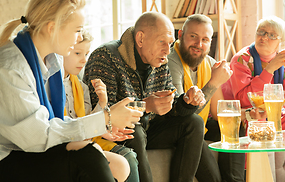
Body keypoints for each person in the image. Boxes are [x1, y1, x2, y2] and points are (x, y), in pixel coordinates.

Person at [0, 0, 142, 181]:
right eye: (77, 29)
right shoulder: (7, 69)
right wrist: (104, 119)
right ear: (52, 28)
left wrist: (104, 123)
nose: (79, 38)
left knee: (121, 164)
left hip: (29, 147)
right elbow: (37, 136)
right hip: (2, 158)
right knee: (89, 157)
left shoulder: (53, 61)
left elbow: (53, 123)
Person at [83, 11, 208, 182]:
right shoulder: (105, 57)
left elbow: (172, 107)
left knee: (194, 122)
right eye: (162, 42)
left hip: (150, 128)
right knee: (135, 131)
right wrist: (145, 106)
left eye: (170, 44)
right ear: (140, 39)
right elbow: (103, 115)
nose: (167, 50)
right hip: (118, 134)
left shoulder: (160, 60)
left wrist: (186, 101)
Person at [221, 16, 285, 182]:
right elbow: (245, 101)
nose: (264, 37)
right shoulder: (242, 59)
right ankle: (254, 175)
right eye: (261, 32)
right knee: (258, 118)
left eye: (272, 35)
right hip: (248, 117)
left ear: (282, 42)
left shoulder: (284, 61)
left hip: (273, 117)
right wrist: (270, 69)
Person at [167, 14, 245, 182]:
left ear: (210, 42)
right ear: (180, 35)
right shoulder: (171, 61)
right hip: (178, 128)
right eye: (193, 37)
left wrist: (244, 115)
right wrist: (214, 82)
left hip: (198, 124)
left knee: (235, 126)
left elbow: (218, 113)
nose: (199, 44)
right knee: (213, 178)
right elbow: (181, 114)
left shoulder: (209, 63)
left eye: (205, 39)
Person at [63, 30, 139, 182]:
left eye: (86, 54)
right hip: (68, 142)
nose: (84, 60)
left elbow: (90, 120)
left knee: (129, 155)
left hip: (86, 138)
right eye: (78, 53)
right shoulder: (50, 85)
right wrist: (102, 125)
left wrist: (102, 101)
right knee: (124, 159)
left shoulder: (80, 86)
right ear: (63, 51)